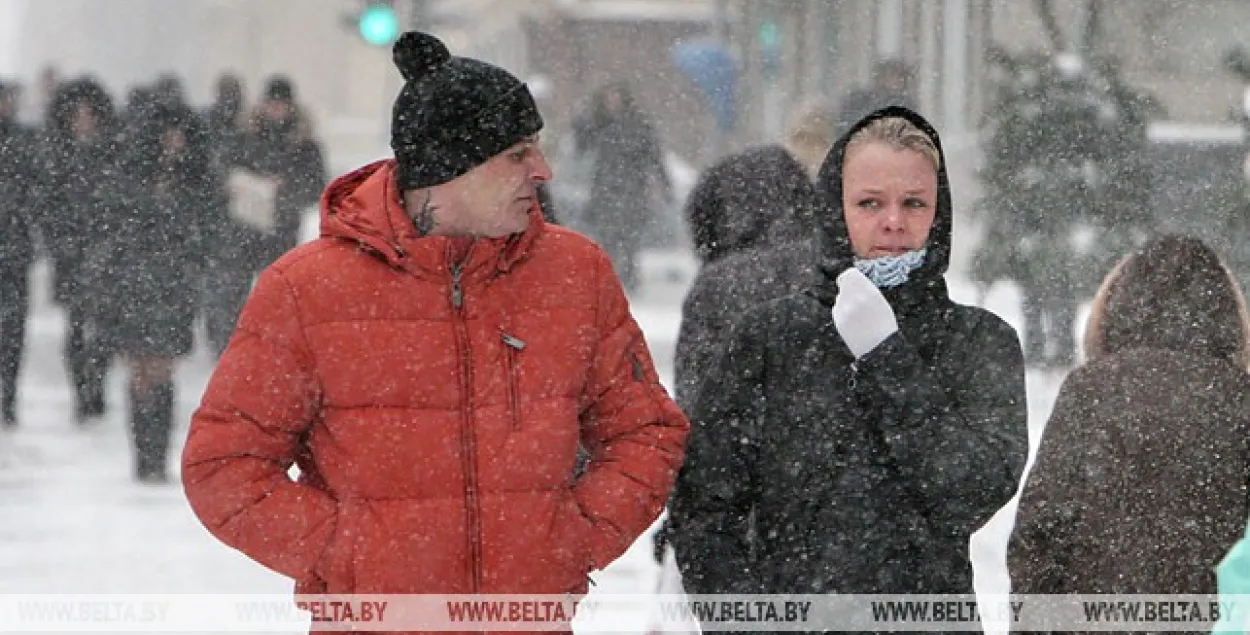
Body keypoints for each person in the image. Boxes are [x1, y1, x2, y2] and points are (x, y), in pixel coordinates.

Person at [181, 30, 689, 606]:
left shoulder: (577, 273)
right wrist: (348, 554)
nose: (542, 170)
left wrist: (569, 541)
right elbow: (224, 467)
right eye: (517, 153)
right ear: (450, 167)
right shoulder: (306, 290)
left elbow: (645, 433)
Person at [668, 107, 1028, 602]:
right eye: (870, 203)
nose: (894, 222)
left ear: (939, 212)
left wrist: (887, 356)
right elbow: (704, 507)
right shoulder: (770, 336)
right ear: (835, 209)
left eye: (915, 203)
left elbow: (971, 493)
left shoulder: (979, 341)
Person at [1009, 235, 1250, 597]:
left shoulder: (1089, 390)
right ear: (1227, 315)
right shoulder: (1239, 398)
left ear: (1117, 307)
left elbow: (1040, 531)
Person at [110, 102, 211, 482]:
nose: (173, 141)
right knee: (139, 371)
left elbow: (205, 230)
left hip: (173, 286)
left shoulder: (196, 180)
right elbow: (118, 231)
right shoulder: (134, 178)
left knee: (163, 368)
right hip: (135, 283)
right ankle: (142, 454)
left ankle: (158, 453)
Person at [0, 80, 39, 427]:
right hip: (14, 247)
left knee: (12, 332)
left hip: (14, 253)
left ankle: (8, 396)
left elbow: (37, 193)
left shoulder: (24, 142)